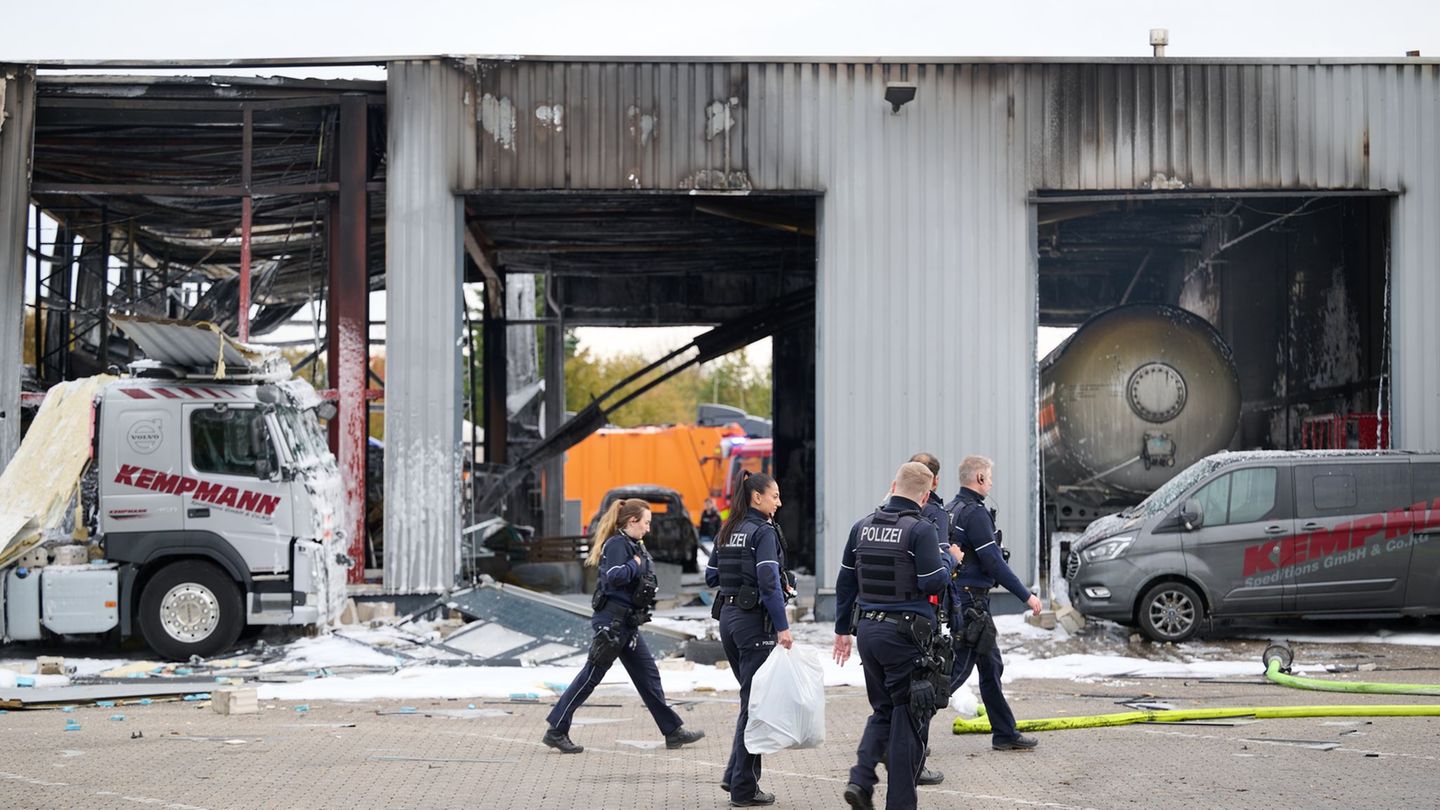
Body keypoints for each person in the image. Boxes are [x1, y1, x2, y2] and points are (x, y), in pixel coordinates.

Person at [833, 462, 963, 810]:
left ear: (893, 485)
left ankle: (860, 780)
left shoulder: (861, 527)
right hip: (904, 636)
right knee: (907, 717)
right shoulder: (919, 530)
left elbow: (845, 583)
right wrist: (950, 559)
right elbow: (933, 581)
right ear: (924, 496)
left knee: (883, 711)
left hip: (868, 633)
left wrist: (841, 630)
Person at [543, 498, 705, 754]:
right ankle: (556, 729)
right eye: (646, 523)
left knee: (648, 676)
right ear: (632, 521)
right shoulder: (618, 544)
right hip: (612, 623)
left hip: (627, 624)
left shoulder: (633, 544)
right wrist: (635, 565)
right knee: (591, 676)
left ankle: (672, 731)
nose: (649, 529)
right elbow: (615, 576)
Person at [705, 473, 793, 808]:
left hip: (728, 620)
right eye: (775, 496)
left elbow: (712, 575)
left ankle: (735, 775)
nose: (779, 502)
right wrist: (783, 627)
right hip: (754, 623)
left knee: (751, 701)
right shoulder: (762, 531)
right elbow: (769, 582)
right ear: (757, 497)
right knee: (755, 705)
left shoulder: (728, 529)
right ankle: (743, 787)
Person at [946, 456, 1044, 752]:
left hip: (964, 598)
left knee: (991, 666)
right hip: (972, 602)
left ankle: (1004, 733)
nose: (991, 483)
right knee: (956, 672)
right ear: (978, 479)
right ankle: (903, 730)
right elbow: (993, 561)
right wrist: (1026, 595)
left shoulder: (951, 509)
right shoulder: (975, 513)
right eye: (989, 477)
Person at [907, 453, 959, 787]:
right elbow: (937, 573)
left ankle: (891, 752)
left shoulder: (884, 513)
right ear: (934, 482)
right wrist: (953, 559)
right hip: (924, 613)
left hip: (889, 615)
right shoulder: (934, 513)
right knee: (926, 689)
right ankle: (915, 762)